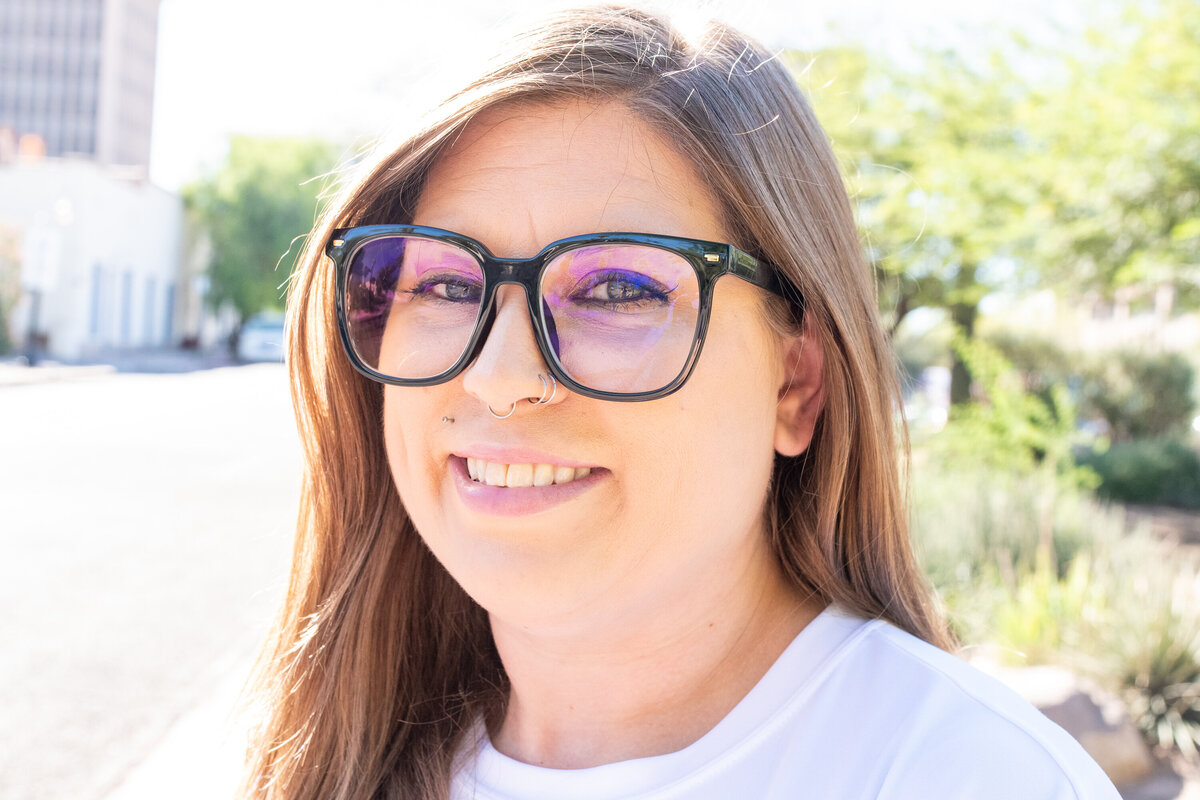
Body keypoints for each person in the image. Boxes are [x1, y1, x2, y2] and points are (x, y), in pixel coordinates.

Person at [241, 6, 1121, 799]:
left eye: (618, 289)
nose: (501, 376)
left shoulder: (963, 774)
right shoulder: (323, 761)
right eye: (441, 282)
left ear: (797, 381)